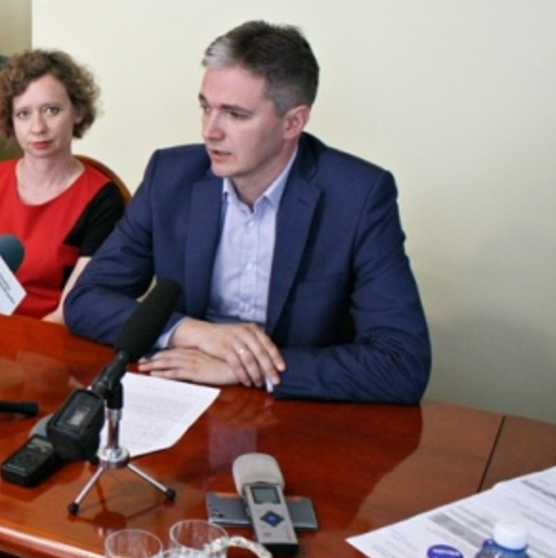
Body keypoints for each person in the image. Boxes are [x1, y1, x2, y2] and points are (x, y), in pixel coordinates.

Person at [64, 21, 431, 404]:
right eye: (206, 108)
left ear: (293, 122)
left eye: (235, 115)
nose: (210, 131)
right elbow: (86, 299)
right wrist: (193, 333)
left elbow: (403, 364)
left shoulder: (357, 197)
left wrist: (247, 369)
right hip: (184, 389)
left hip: (294, 407)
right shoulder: (170, 177)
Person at [0, 50, 125, 324]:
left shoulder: (102, 198)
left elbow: (70, 311)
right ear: (10, 120)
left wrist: (15, 345)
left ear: (78, 112)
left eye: (51, 110)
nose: (37, 127)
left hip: (51, 337)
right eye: (23, 114)